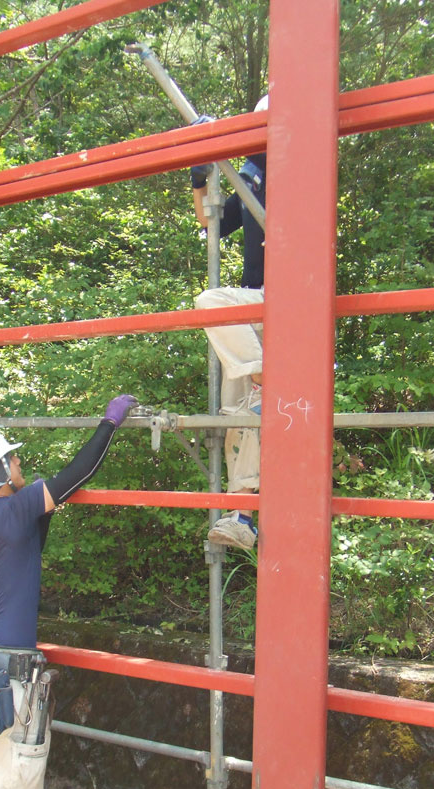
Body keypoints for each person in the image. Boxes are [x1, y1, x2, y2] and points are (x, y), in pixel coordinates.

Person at [0, 394, 136, 789]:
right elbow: (78, 473)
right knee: (10, 788)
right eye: (12, 461)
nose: (19, 465)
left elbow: (31, 541)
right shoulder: (11, 513)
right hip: (9, 680)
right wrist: (110, 423)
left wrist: (40, 506)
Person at [190, 96, 268, 552]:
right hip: (253, 305)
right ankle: (243, 517)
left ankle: (264, 374)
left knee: (211, 300)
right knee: (240, 415)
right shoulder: (251, 170)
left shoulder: (305, 162)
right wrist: (201, 174)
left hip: (289, 298)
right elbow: (210, 222)